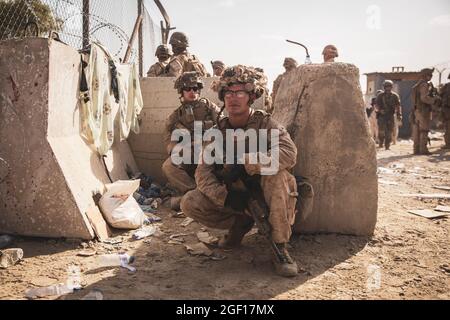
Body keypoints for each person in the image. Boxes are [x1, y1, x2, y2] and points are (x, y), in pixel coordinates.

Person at [180, 65, 299, 277]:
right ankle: (239, 225)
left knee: (276, 174)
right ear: (222, 96)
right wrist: (227, 198)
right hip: (237, 194)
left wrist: (246, 163)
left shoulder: (265, 124)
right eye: (228, 92)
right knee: (190, 201)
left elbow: (289, 153)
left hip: (269, 192)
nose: (233, 98)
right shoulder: (217, 132)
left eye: (240, 92)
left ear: (251, 96)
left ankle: (280, 247)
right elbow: (202, 173)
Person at [162, 72, 221, 209]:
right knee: (168, 166)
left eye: (195, 88)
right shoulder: (177, 115)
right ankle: (195, 192)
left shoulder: (209, 107)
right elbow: (168, 137)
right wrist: (177, 148)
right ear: (181, 92)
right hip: (190, 153)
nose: (192, 92)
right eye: (188, 89)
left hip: (210, 151)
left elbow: (223, 124)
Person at [411, 68, 440, 155]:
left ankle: (416, 150)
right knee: (424, 130)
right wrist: (434, 99)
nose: (431, 77)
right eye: (429, 75)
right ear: (425, 75)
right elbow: (424, 98)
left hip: (416, 111)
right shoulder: (424, 85)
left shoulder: (416, 85)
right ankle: (423, 150)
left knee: (417, 130)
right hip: (423, 111)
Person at [375, 80, 402, 150]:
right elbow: (376, 105)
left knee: (389, 131)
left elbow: (398, 106)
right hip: (382, 116)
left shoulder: (395, 96)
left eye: (389, 87)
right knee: (381, 131)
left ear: (391, 87)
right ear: (384, 87)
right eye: (386, 87)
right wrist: (380, 110)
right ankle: (381, 142)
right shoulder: (380, 95)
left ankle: (387, 146)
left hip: (390, 115)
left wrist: (399, 114)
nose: (388, 88)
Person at [439, 74, 450, 149]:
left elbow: (440, 97)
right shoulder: (446, 87)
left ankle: (448, 144)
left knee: (448, 127)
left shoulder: (446, 87)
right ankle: (448, 144)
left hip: (446, 110)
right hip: (447, 110)